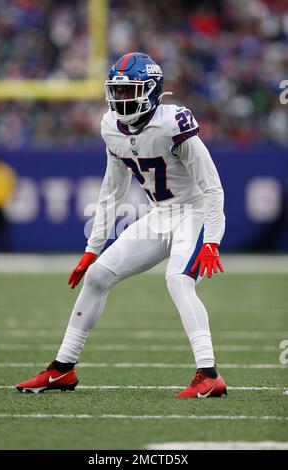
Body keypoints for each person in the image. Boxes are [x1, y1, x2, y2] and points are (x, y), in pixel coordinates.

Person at [16, 52, 227, 398]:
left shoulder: (173, 122)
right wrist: (91, 250)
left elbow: (212, 186)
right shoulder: (110, 127)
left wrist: (212, 240)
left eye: (130, 91)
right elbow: (110, 192)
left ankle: (209, 373)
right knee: (98, 275)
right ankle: (62, 369)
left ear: (152, 90)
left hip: (194, 212)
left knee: (177, 280)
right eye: (118, 91)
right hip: (160, 215)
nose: (122, 99)